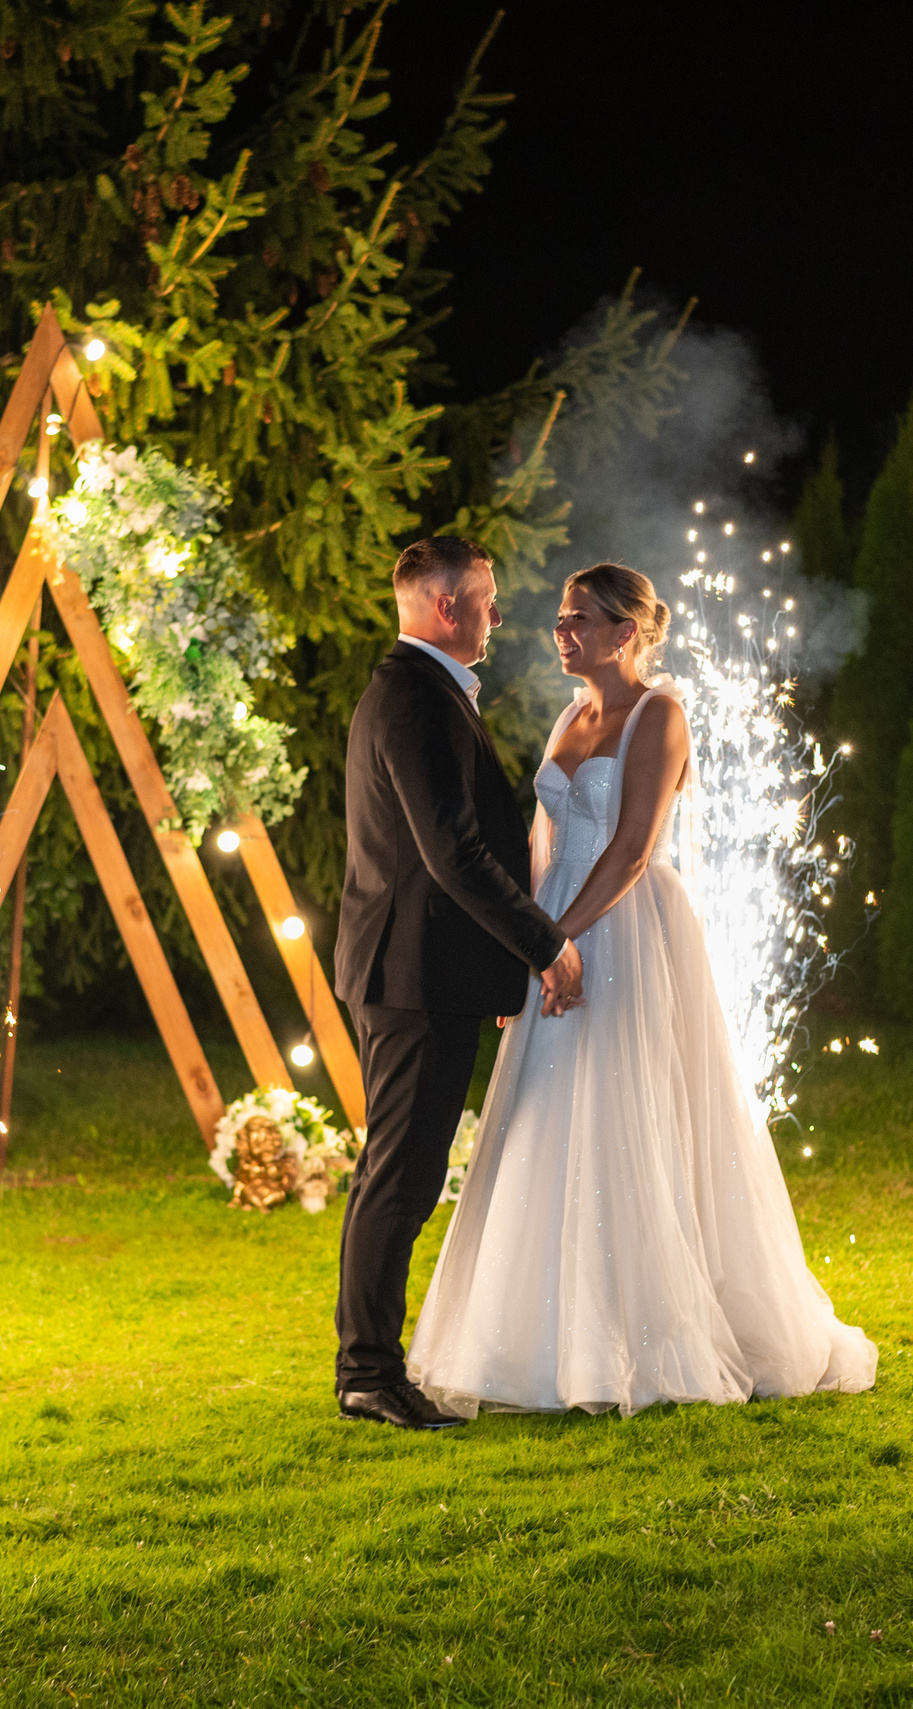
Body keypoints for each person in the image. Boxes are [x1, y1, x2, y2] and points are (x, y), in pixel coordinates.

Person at [407, 562, 877, 1417]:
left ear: (627, 632)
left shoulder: (660, 712)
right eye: (559, 617)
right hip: (555, 931)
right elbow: (541, 843)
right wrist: (529, 947)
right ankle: (539, 1339)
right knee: (545, 1115)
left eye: (580, 618)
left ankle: (643, 1332)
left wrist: (564, 939)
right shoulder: (568, 715)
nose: (562, 630)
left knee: (627, 1110)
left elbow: (630, 846)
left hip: (623, 931)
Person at [332, 536, 585, 1431]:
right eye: (485, 598)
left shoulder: (420, 690)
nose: (496, 613)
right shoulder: (413, 696)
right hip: (412, 972)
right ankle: (367, 1372)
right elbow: (452, 853)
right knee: (398, 1175)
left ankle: (372, 1365)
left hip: (417, 970)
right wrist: (544, 942)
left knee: (402, 1170)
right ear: (447, 607)